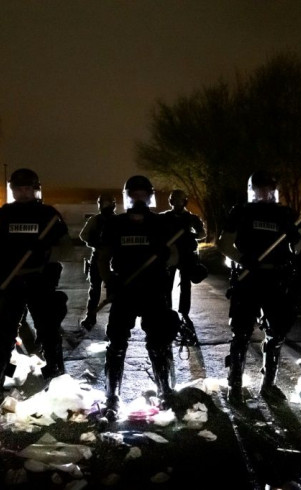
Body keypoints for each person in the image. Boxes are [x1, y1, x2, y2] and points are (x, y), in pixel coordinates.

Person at [0, 168, 72, 407]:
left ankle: (57, 382)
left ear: (35, 189)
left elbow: (68, 249)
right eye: (18, 189)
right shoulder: (1, 215)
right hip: (10, 282)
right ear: (12, 191)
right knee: (3, 337)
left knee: (50, 332)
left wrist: (48, 252)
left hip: (40, 280)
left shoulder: (48, 215)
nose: (22, 192)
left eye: (27, 188)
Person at [98, 175, 180, 421]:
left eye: (143, 194)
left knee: (159, 343)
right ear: (128, 196)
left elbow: (174, 254)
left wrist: (166, 261)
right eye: (135, 194)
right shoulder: (115, 224)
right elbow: (102, 257)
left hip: (153, 289)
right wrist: (110, 281)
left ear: (149, 196)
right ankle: (112, 397)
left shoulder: (160, 223)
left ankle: (165, 391)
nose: (139, 198)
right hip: (124, 289)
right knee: (117, 345)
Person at [217, 171, 301, 404]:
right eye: (261, 189)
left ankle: (269, 384)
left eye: (269, 189)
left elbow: (299, 247)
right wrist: (242, 258)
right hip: (248, 279)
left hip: (276, 280)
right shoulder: (241, 212)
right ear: (252, 190)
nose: (265, 193)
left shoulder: (284, 214)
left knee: (276, 333)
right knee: (241, 333)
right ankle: (234, 385)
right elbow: (224, 243)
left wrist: (295, 236)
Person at [161, 189, 207, 331]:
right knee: (166, 284)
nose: (177, 203)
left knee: (185, 286)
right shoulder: (166, 217)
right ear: (171, 201)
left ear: (184, 201)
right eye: (175, 200)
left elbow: (201, 233)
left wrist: (192, 235)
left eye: (180, 200)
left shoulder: (191, 218)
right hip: (171, 253)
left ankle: (184, 312)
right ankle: (167, 309)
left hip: (186, 254)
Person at [78, 193, 117, 329]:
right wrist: (94, 242)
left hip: (114, 259)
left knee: (114, 291)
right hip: (99, 257)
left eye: (107, 204)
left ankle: (115, 321)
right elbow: (83, 235)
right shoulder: (96, 220)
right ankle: (91, 317)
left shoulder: (118, 221)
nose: (105, 207)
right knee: (95, 290)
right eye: (103, 204)